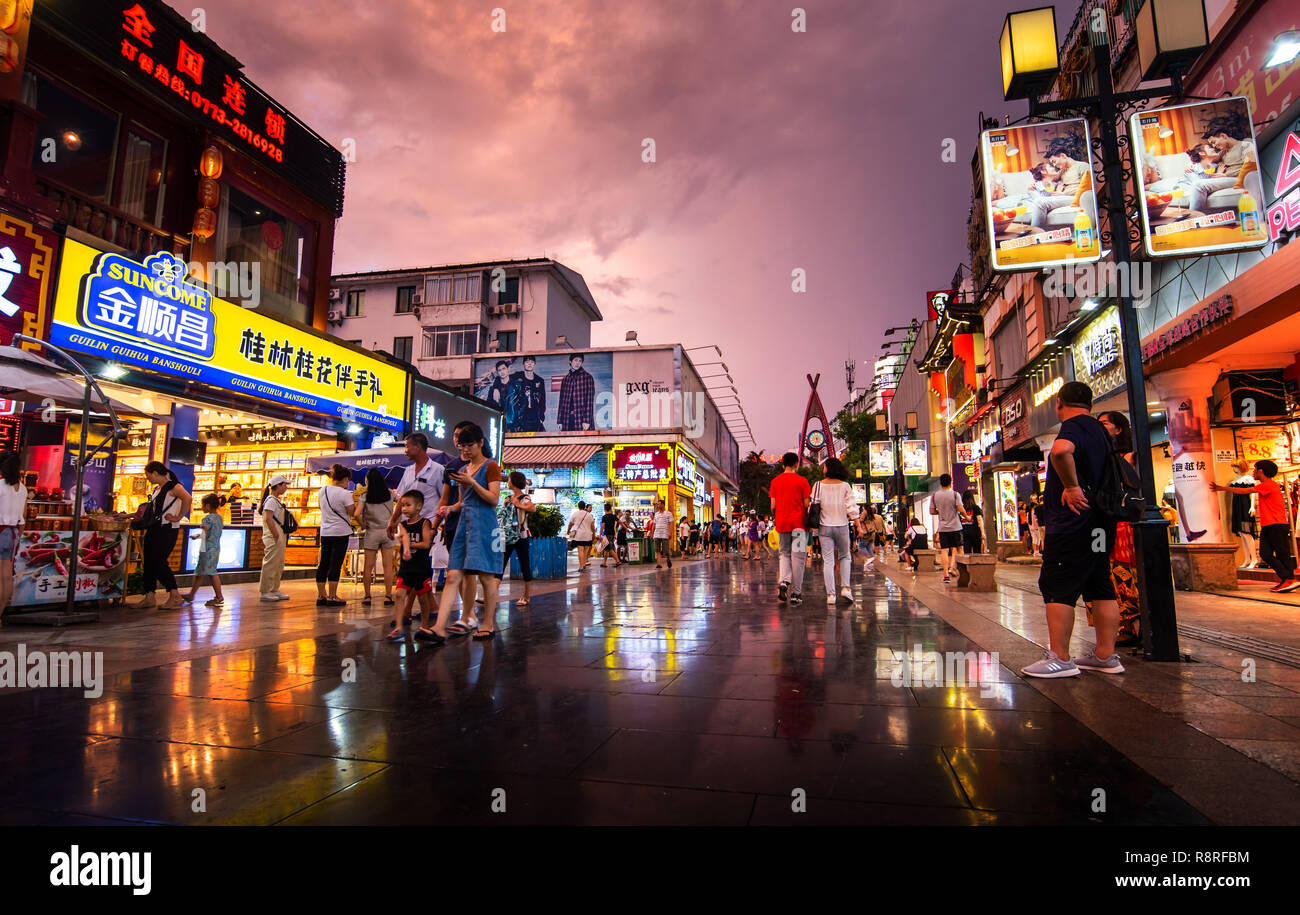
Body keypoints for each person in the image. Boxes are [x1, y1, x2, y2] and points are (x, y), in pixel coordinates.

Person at [1022, 381, 1125, 679]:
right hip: (1100, 524)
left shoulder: (1074, 426)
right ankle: (1105, 654)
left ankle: (1060, 657)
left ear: (1059, 402)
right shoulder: (1099, 431)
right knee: (1100, 585)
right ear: (1091, 404)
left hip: (1072, 526)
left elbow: (1060, 452)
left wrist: (1071, 486)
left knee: (1058, 587)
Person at [422, 422, 505, 643]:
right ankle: (439, 626)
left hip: (485, 526)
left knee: (487, 577)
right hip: (464, 526)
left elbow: (493, 499)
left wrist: (471, 482)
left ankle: (488, 623)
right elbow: (461, 501)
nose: (465, 451)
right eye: (462, 447)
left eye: (469, 446)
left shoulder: (490, 467)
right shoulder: (461, 471)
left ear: (480, 443)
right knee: (453, 575)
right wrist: (449, 508)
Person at [1089, 411, 1140, 646]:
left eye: (1105, 424)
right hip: (1100, 523)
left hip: (1119, 525)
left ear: (1119, 429)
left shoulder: (1127, 457)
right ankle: (1114, 627)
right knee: (1100, 572)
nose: (1100, 427)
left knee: (1123, 574)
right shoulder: (1098, 454)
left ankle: (1132, 625)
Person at [1212, 460, 1298, 592]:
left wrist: (1222, 488)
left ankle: (1289, 579)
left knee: (1282, 554)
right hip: (1269, 525)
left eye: (1255, 469)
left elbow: (1245, 491)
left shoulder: (1268, 485)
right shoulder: (1265, 485)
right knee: (1265, 553)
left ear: (1261, 471)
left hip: (1277, 524)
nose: (1253, 471)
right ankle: (1287, 579)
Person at [134, 461, 192, 610]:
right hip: (154, 528)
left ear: (155, 473)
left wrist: (178, 516)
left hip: (167, 529)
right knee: (149, 562)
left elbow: (188, 498)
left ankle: (174, 595)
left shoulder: (174, 486)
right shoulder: (157, 489)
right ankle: (149, 595)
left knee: (159, 561)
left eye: (148, 476)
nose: (148, 479)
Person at [386, 491, 434, 642]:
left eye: (408, 505)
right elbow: (404, 537)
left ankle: (425, 626)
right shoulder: (403, 525)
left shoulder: (425, 523)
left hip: (421, 567)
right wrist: (406, 549)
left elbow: (426, 544)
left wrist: (410, 546)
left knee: (423, 599)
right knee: (399, 595)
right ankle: (399, 627)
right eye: (402, 505)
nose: (404, 509)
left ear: (419, 506)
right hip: (406, 567)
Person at [814, 458, 859, 605]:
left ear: (828, 469)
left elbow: (813, 507)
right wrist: (858, 525)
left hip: (824, 526)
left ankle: (831, 595)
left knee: (828, 561)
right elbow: (851, 507)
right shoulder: (845, 486)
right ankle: (846, 588)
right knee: (845, 557)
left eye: (824, 466)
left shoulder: (818, 485)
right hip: (842, 525)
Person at [769, 452, 811, 606]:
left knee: (784, 554)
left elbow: (773, 506)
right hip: (799, 525)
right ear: (796, 464)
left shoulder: (775, 481)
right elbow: (807, 505)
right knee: (798, 558)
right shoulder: (802, 481)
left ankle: (784, 582)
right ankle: (796, 593)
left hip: (782, 524)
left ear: (782, 465)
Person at [354, 468, 396, 607]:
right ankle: (388, 596)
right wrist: (395, 521)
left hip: (372, 532)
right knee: (388, 566)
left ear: (368, 481)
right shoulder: (390, 494)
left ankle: (367, 596)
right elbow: (402, 503)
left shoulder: (365, 496)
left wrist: (363, 525)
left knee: (368, 566)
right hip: (387, 532)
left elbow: (356, 514)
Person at [315, 464, 354, 607]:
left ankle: (321, 596)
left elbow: (321, 508)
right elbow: (351, 512)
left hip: (325, 531)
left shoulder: (322, 491)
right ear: (344, 479)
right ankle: (332, 596)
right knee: (335, 564)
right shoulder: (345, 493)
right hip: (340, 532)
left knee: (323, 563)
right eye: (347, 481)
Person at [500, 472, 537, 605]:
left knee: (524, 564)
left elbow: (533, 509)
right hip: (507, 535)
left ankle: (526, 596)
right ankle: (490, 594)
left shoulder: (524, 498)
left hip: (521, 536)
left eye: (509, 480)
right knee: (500, 563)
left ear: (514, 482)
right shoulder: (507, 498)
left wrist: (518, 504)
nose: (507, 482)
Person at [183, 493, 225, 606]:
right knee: (200, 572)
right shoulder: (219, 517)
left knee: (211, 573)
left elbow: (204, 534)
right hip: (215, 547)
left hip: (206, 549)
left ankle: (219, 597)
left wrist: (196, 536)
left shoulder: (207, 518)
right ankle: (191, 595)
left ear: (207, 505)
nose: (202, 507)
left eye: (203, 505)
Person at [0, 452, 27, 626]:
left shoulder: (0, 486)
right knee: (6, 576)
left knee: (2, 576)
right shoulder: (22, 488)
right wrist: (18, 536)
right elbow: (23, 517)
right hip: (13, 532)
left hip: (1, 530)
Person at [929, 473, 968, 584]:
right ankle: (953, 567)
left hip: (943, 528)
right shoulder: (955, 494)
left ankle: (946, 575)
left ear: (940, 483)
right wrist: (967, 517)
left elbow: (932, 512)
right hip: (956, 527)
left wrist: (940, 512)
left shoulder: (934, 496)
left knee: (944, 551)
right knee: (958, 548)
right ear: (951, 482)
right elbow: (960, 509)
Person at [258, 474, 291, 602]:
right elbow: (268, 518)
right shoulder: (271, 500)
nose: (286, 487)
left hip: (279, 535)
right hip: (273, 536)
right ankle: (265, 590)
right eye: (284, 485)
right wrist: (275, 534)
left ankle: (274, 588)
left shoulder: (276, 500)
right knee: (270, 563)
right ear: (277, 486)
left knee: (278, 563)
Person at [1227, 459, 1259, 570]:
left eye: (1236, 466)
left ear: (1241, 466)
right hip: (1237, 506)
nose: (1234, 469)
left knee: (1247, 533)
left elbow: (1253, 493)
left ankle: (1254, 559)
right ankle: (1247, 559)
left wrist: (1252, 506)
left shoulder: (1248, 479)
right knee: (1242, 533)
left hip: (1245, 506)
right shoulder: (1236, 480)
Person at [556, 352, 595, 432]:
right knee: (568, 442)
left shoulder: (587, 377)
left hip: (582, 418)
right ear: (570, 361)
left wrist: (587, 420)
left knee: (583, 442)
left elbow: (589, 401)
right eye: (575, 360)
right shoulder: (566, 379)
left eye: (580, 361)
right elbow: (561, 401)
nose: (577, 363)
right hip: (567, 418)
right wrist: (560, 421)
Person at [507, 356, 547, 433]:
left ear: (534, 364)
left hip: (535, 416)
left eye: (532, 362)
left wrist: (541, 417)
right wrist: (495, 388)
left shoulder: (539, 380)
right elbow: (502, 377)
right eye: (527, 362)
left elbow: (543, 400)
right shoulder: (517, 376)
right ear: (523, 364)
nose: (529, 364)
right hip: (521, 416)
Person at [567, 501, 596, 571]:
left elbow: (571, 524)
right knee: (585, 550)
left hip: (579, 535)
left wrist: (568, 531)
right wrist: (594, 534)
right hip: (588, 535)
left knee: (580, 550)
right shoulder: (589, 515)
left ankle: (581, 566)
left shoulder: (575, 514)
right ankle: (584, 563)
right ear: (585, 506)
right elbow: (592, 526)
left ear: (578, 506)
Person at [650, 499, 673, 569]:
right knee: (657, 549)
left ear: (663, 504)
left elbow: (671, 524)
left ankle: (668, 558)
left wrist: (670, 533)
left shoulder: (669, 513)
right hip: (657, 533)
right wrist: (652, 533)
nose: (658, 505)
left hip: (665, 534)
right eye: (657, 504)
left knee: (666, 550)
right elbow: (654, 524)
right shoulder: (656, 514)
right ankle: (659, 564)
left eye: (659, 504)